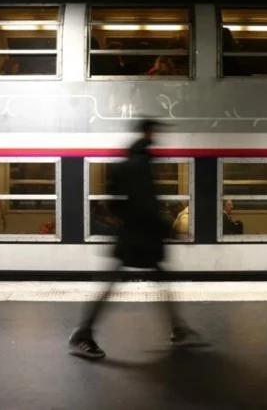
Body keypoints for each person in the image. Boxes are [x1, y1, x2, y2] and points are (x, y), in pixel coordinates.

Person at [68, 118, 206, 360]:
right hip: (140, 236)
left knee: (136, 280)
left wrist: (125, 221)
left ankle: (177, 329)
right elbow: (147, 204)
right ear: (147, 132)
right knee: (124, 282)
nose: (157, 136)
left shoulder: (128, 163)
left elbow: (114, 202)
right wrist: (168, 229)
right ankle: (83, 333)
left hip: (134, 234)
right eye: (154, 131)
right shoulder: (142, 165)